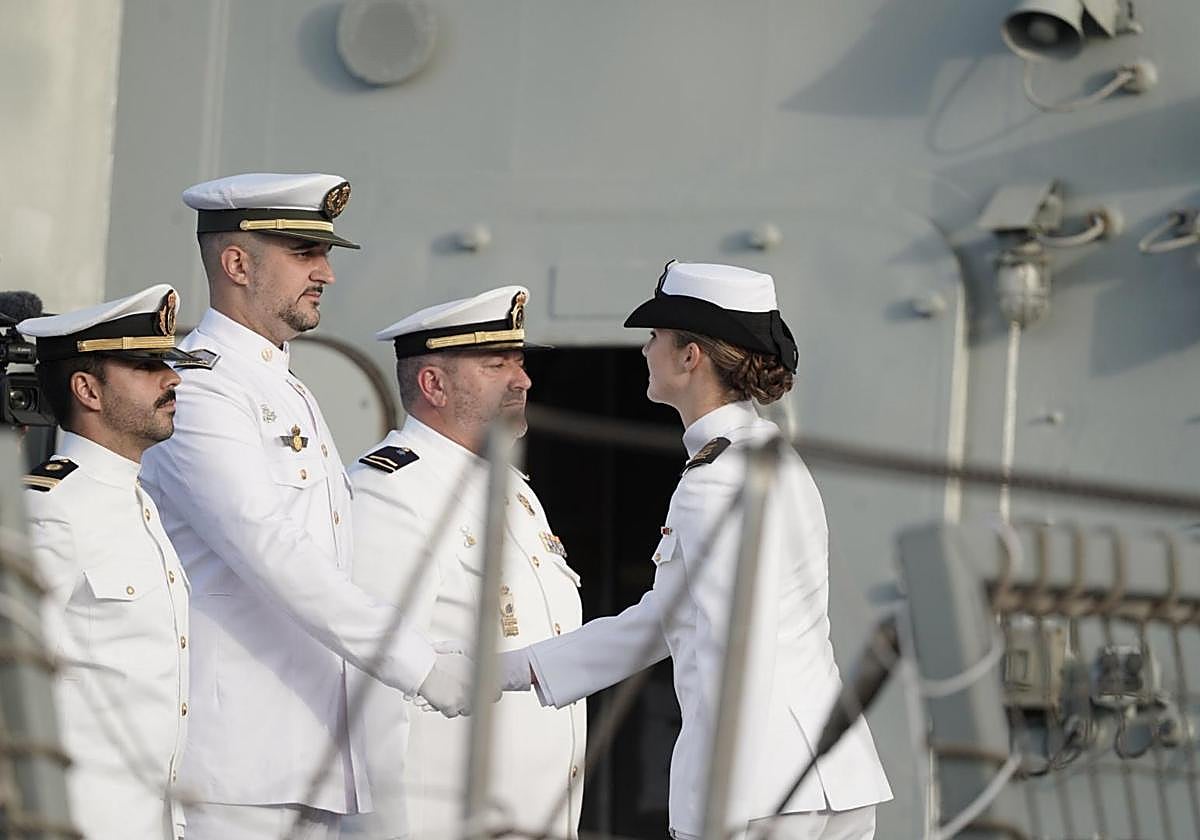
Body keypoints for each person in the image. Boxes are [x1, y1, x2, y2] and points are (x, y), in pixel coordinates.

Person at [139, 172, 479, 840]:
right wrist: (416, 664)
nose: (324, 272)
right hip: (233, 765)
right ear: (237, 262)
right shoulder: (203, 392)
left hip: (309, 754)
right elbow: (270, 550)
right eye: (303, 252)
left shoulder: (287, 388)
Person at [502, 262, 893, 840]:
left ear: (692, 357)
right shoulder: (771, 455)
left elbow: (709, 637)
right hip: (827, 774)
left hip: (759, 789)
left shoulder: (715, 476)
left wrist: (506, 670)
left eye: (656, 337)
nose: (645, 351)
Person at [343, 286, 585, 840]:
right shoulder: (387, 494)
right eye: (496, 364)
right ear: (433, 384)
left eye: (519, 364)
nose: (521, 380)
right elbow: (368, 683)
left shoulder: (517, 493)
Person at [19, 285, 196, 840]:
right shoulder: (52, 508)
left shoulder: (138, 502)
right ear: (87, 389)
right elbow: (17, 687)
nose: (172, 378)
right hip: (80, 819)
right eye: (145, 364)